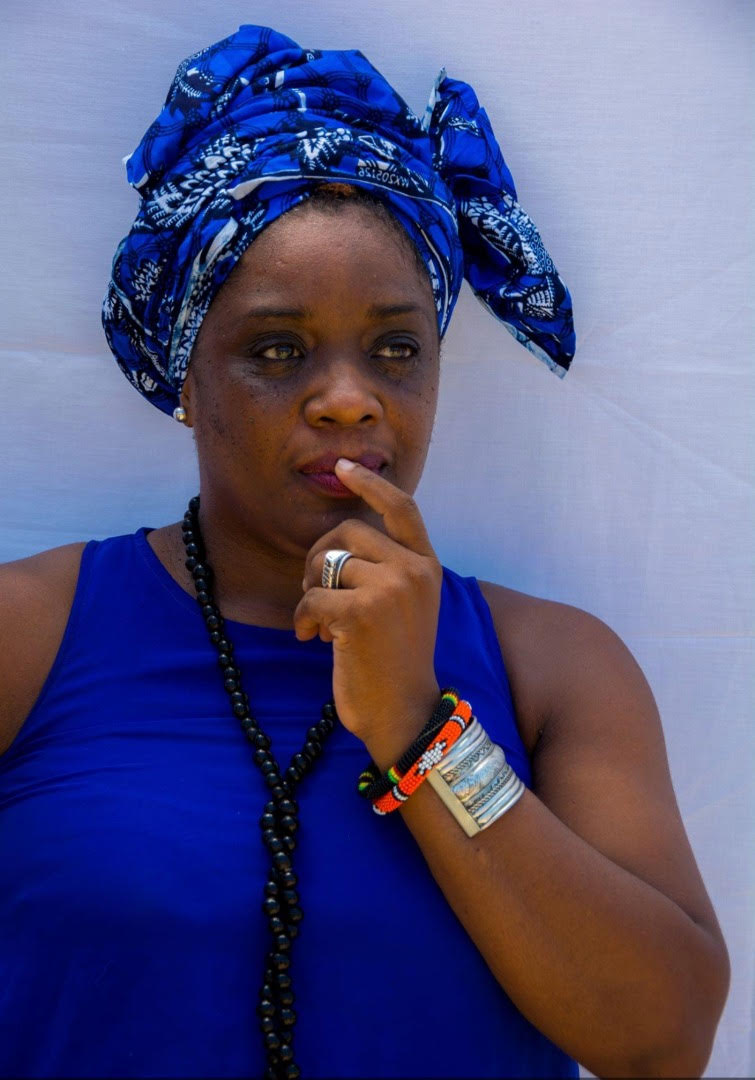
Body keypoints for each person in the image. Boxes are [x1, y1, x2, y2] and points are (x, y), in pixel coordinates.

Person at [0, 24, 729, 1080]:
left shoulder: (552, 668)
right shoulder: (35, 634)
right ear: (182, 378)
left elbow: (659, 1041)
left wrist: (418, 730)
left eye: (395, 348)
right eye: (276, 350)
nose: (349, 399)